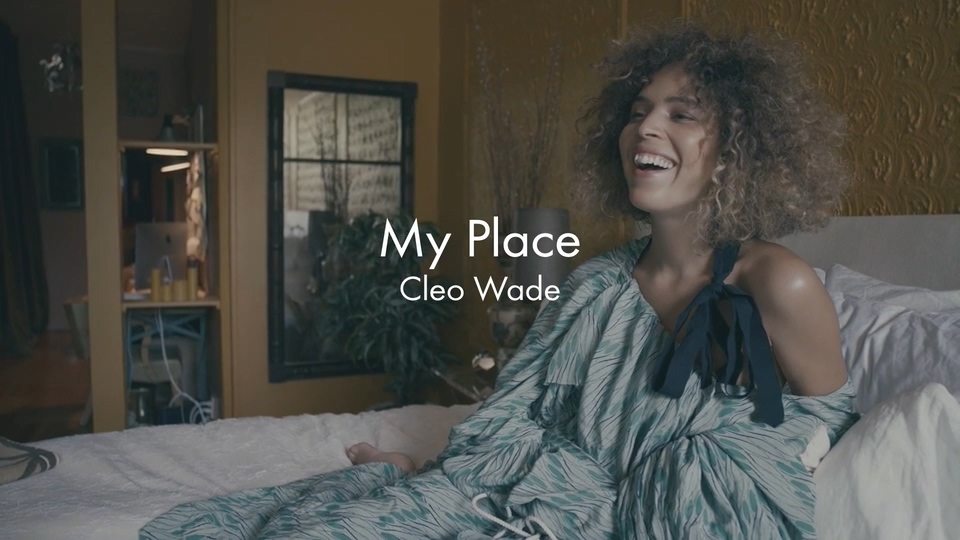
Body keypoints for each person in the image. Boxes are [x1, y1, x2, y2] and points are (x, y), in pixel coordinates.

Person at [140, 20, 859, 540]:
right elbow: (514, 408)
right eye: (637, 111)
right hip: (526, 490)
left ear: (735, 149)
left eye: (681, 114)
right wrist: (433, 470)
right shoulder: (594, 284)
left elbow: (822, 424)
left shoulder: (777, 282)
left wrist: (699, 468)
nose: (645, 128)